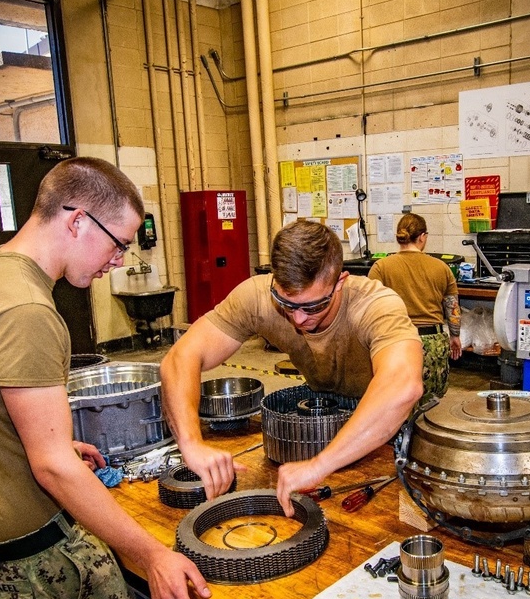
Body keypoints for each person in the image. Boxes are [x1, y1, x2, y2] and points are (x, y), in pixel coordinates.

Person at [0, 157, 210, 599]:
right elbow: (53, 467)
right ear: (78, 219)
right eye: (118, 243)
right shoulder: (27, 311)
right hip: (40, 563)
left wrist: (43, 440)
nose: (119, 260)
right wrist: (151, 555)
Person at [160, 220, 423, 517]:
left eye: (313, 307)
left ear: (340, 282)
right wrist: (191, 443)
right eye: (285, 302)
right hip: (320, 423)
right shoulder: (256, 296)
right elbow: (180, 357)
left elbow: (403, 385)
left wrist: (319, 465)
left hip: (380, 431)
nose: (298, 319)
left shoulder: (375, 305)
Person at [367, 213, 462, 399]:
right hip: (433, 342)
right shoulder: (441, 267)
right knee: (432, 402)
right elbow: (453, 308)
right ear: (422, 237)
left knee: (398, 399)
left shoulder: (381, 267)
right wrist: (455, 336)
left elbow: (369, 306)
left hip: (397, 341)